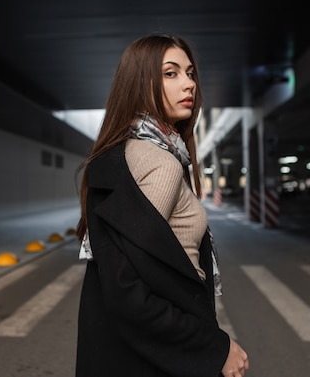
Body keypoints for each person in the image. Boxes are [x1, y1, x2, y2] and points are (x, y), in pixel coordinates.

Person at [74, 33, 249, 377]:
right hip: (158, 356)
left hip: (127, 353)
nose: (189, 84)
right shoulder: (160, 162)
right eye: (171, 73)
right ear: (140, 83)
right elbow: (130, 292)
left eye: (190, 73)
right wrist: (215, 348)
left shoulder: (125, 154)